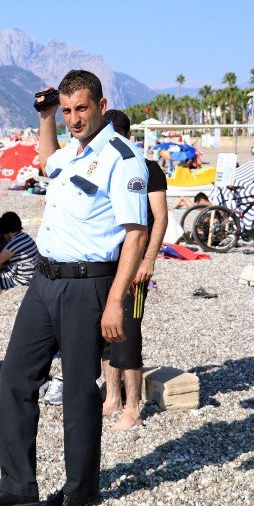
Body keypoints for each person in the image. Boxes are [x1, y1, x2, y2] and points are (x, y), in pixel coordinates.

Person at [0, 70, 148, 506]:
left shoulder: (123, 158)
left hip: (89, 285)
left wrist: (115, 302)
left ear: (102, 106)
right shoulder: (72, 151)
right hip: (44, 281)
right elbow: (49, 159)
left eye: (81, 109)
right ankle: (17, 487)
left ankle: (81, 487)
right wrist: (45, 115)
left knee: (77, 391)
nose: (74, 118)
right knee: (16, 376)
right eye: (67, 111)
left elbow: (137, 233)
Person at [101, 109, 168, 431]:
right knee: (104, 333)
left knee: (127, 332)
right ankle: (112, 398)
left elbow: (161, 216)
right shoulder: (107, 167)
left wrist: (149, 259)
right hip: (105, 263)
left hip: (135, 266)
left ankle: (133, 408)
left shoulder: (148, 168)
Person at [0, 212, 39, 290]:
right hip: (31, 277)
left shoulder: (14, 243)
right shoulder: (25, 236)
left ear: (5, 229)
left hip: (19, 281)